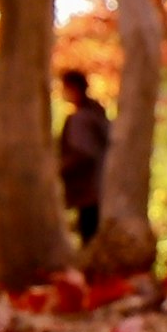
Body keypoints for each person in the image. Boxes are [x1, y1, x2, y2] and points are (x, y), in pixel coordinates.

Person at [57, 67, 113, 247]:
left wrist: (58, 169)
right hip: (101, 190)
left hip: (88, 192)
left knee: (90, 239)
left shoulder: (81, 119)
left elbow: (83, 153)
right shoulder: (97, 115)